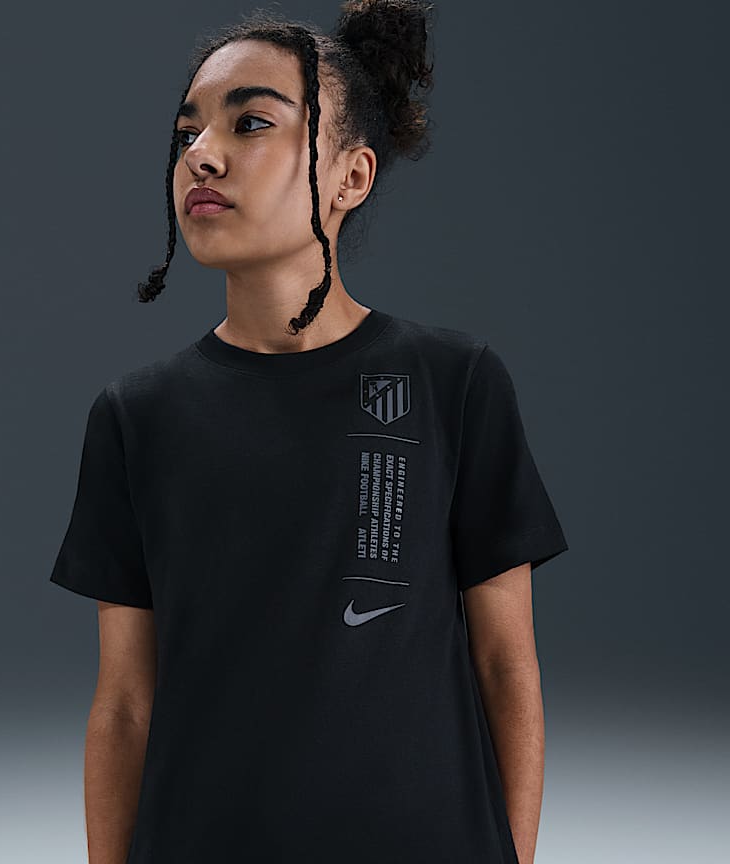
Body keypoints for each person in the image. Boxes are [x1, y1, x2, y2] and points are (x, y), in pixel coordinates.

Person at [49, 2, 569, 862]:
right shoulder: (137, 417)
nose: (201, 154)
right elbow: (126, 705)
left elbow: (506, 666)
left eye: (250, 122)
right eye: (186, 133)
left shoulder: (453, 383)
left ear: (350, 176)